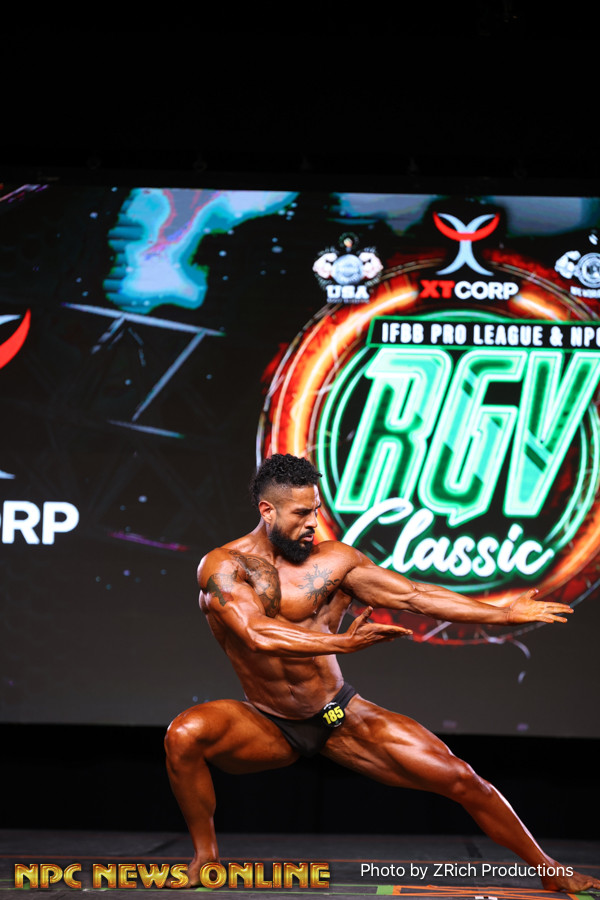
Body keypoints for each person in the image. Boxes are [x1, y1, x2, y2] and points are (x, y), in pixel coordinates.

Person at [165, 454, 600, 893]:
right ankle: (205, 858)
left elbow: (414, 595)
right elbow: (256, 633)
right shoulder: (224, 567)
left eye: (315, 510)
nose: (313, 522)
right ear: (267, 511)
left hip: (337, 716)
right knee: (183, 736)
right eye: (301, 513)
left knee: (461, 778)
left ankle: (550, 870)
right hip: (267, 722)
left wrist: (502, 613)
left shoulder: (334, 562)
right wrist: (342, 644)